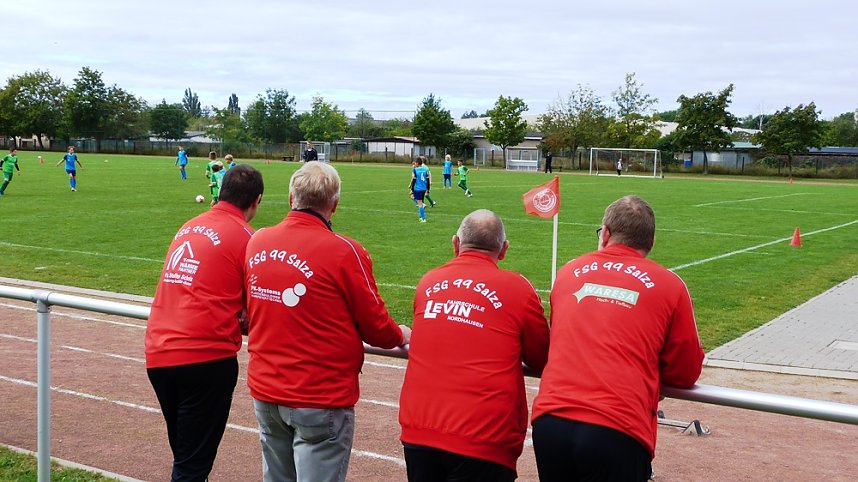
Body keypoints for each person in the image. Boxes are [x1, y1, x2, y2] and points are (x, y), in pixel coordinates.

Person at [244, 161, 411, 482]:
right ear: (334, 205)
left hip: (266, 390)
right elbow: (377, 328)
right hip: (318, 395)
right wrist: (401, 333)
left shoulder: (257, 241)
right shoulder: (345, 251)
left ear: (291, 198)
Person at [531, 195, 704, 482]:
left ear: (606, 234)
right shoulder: (670, 284)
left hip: (552, 421)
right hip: (618, 426)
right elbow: (685, 371)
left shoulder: (569, 271)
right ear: (649, 241)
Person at [399, 209, 550, 482]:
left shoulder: (428, 282)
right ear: (503, 250)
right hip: (484, 438)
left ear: (456, 243)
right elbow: (541, 357)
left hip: (419, 429)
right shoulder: (519, 288)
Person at [145, 165, 264, 482]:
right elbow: (255, 314)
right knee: (191, 467)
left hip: (159, 353)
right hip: (204, 358)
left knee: (187, 457)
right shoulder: (247, 238)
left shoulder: (189, 226)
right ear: (256, 201)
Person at [410, 156, 431, 223]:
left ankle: (423, 218)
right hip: (424, 188)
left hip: (418, 188)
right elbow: (427, 181)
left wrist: (412, 190)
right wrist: (428, 190)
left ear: (417, 163)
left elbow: (414, 180)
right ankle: (421, 216)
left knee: (419, 203)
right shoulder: (425, 170)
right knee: (419, 202)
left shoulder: (415, 170)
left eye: (415, 163)